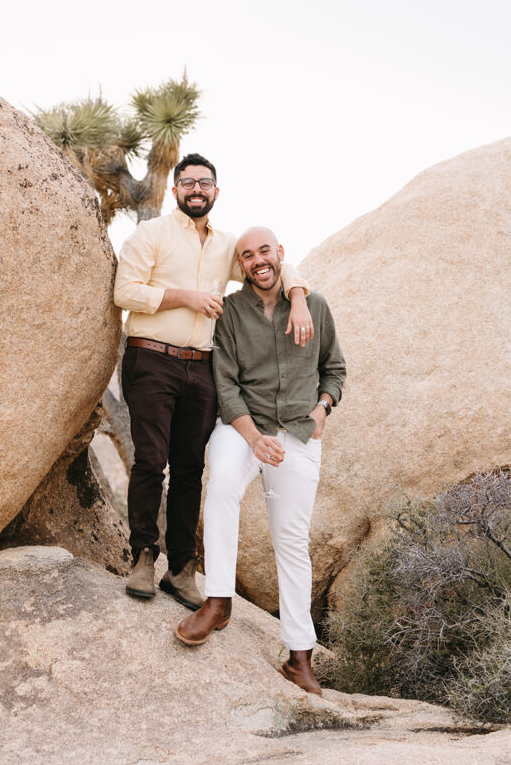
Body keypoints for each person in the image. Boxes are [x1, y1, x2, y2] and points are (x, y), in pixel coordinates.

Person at [114, 157, 312, 611]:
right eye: (188, 182)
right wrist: (186, 297)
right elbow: (124, 291)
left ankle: (180, 569)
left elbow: (274, 263)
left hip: (201, 368)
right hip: (151, 359)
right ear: (175, 190)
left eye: (205, 182)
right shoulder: (151, 236)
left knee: (189, 471)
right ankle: (143, 556)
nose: (196, 189)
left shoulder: (228, 246)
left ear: (216, 192)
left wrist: (298, 296)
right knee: (150, 461)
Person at [174, 226, 346, 697]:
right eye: (247, 256)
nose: (257, 261)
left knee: (291, 539)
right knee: (224, 486)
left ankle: (298, 656)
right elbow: (224, 382)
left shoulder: (316, 306)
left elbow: (335, 369)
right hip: (242, 427)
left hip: (299, 432)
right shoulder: (230, 312)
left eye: (264, 251)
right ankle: (218, 602)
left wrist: (321, 410)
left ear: (280, 255)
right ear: (242, 265)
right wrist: (252, 438)